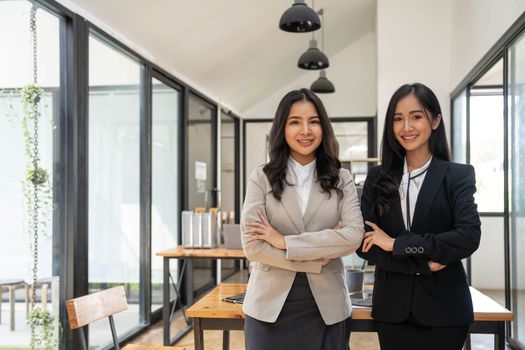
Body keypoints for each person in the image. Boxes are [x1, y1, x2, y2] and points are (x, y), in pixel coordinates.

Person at [357, 83, 481, 350]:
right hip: (392, 309)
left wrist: (396, 244)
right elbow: (364, 244)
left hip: (445, 309)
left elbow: (468, 237)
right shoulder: (377, 178)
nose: (406, 127)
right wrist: (423, 265)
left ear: (435, 121)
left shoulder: (457, 175)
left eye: (416, 116)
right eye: (398, 119)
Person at [241, 88, 364, 350]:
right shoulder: (261, 177)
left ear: (324, 128)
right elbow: (253, 246)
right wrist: (319, 257)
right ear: (282, 129)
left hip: (327, 308)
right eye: (295, 122)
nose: (305, 131)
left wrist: (284, 241)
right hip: (268, 308)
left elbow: (353, 236)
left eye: (314, 121)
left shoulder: (342, 179)